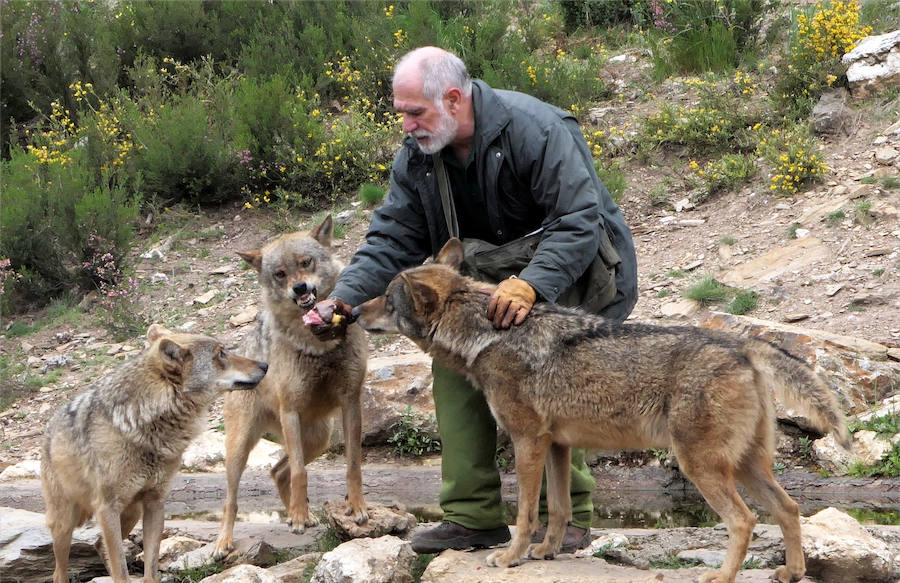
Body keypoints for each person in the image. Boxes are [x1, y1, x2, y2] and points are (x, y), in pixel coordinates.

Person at [307, 46, 638, 554]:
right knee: (452, 360)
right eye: (401, 114)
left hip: (567, 275)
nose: (407, 126)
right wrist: (345, 299)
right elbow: (392, 236)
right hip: (477, 285)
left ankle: (565, 520)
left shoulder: (538, 129)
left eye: (415, 112)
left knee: (553, 382)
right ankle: (471, 515)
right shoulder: (416, 156)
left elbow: (579, 220)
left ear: (455, 99)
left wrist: (530, 285)